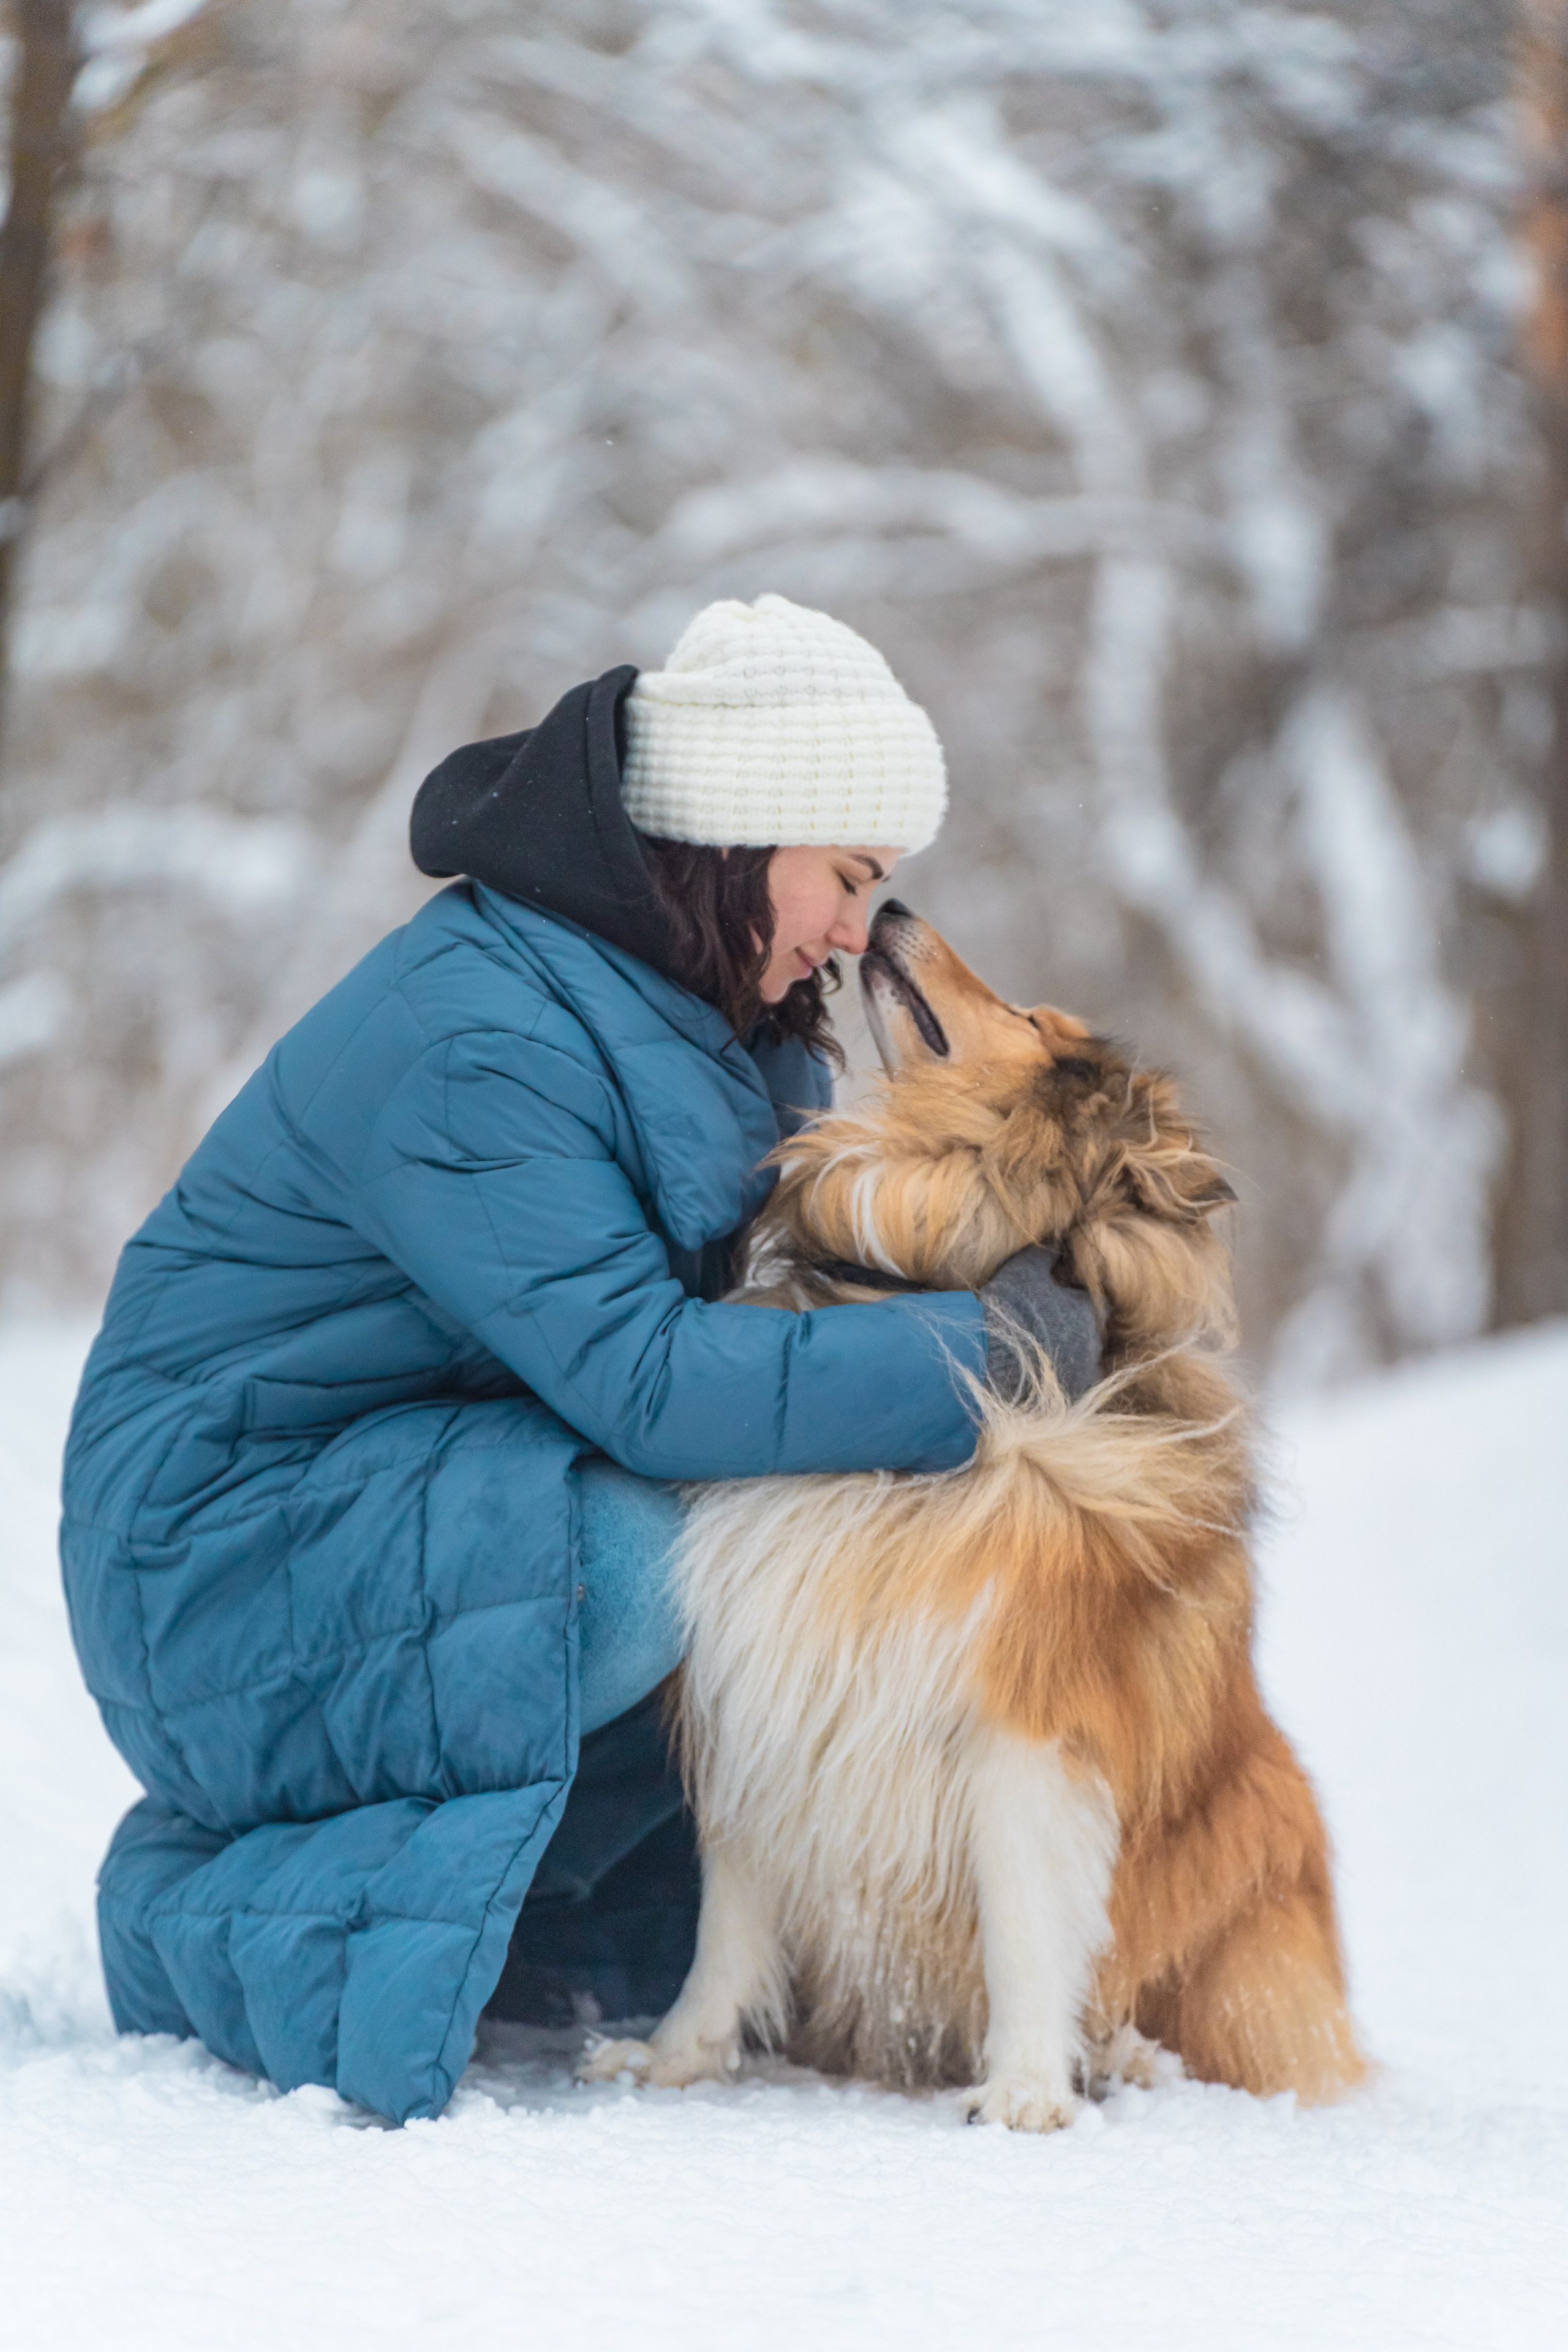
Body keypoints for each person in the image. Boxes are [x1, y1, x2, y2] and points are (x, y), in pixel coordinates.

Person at [61, 594, 1100, 2122]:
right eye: (844, 875)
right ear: (739, 835)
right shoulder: (481, 1030)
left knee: (755, 1566)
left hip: (420, 1498)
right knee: (631, 1571)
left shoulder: (716, 1025)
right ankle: (204, 1921)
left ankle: (523, 1925)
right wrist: (996, 1349)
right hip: (216, 1560)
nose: (849, 929)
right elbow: (655, 1386)